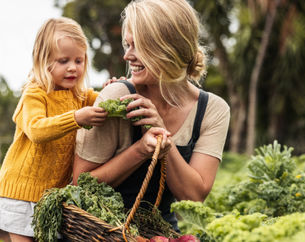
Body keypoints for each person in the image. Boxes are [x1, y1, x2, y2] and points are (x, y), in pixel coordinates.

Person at [73, 0, 230, 232]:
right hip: (99, 231)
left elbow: (194, 197)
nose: (127, 56)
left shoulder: (212, 110)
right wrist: (140, 151)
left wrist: (164, 142)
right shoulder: (117, 97)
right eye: (127, 45)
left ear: (167, 48)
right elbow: (80, 184)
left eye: (137, 46)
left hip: (159, 232)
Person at [0, 17, 108, 242]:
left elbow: (105, 102)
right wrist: (77, 118)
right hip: (20, 195)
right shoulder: (35, 94)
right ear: (43, 61)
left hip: (50, 199)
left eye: (79, 60)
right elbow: (37, 131)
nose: (72, 67)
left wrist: (112, 89)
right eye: (63, 61)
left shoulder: (81, 96)